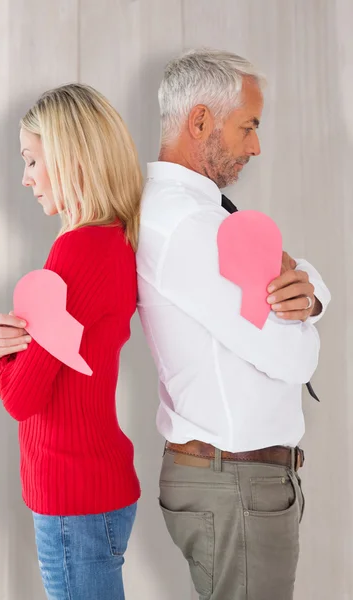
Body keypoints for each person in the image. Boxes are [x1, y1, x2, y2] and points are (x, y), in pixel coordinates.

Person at [137, 49, 331, 600]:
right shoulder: (189, 227)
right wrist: (307, 322)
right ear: (201, 121)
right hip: (237, 484)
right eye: (248, 126)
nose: (257, 146)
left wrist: (310, 299)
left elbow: (301, 275)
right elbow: (294, 357)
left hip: (236, 481)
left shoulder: (201, 215)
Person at [0, 84, 142, 600]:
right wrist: (3, 345)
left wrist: (1, 360)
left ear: (70, 158)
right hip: (95, 491)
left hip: (74, 502)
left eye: (31, 160)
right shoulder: (113, 239)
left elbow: (20, 398)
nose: (25, 178)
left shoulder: (75, 252)